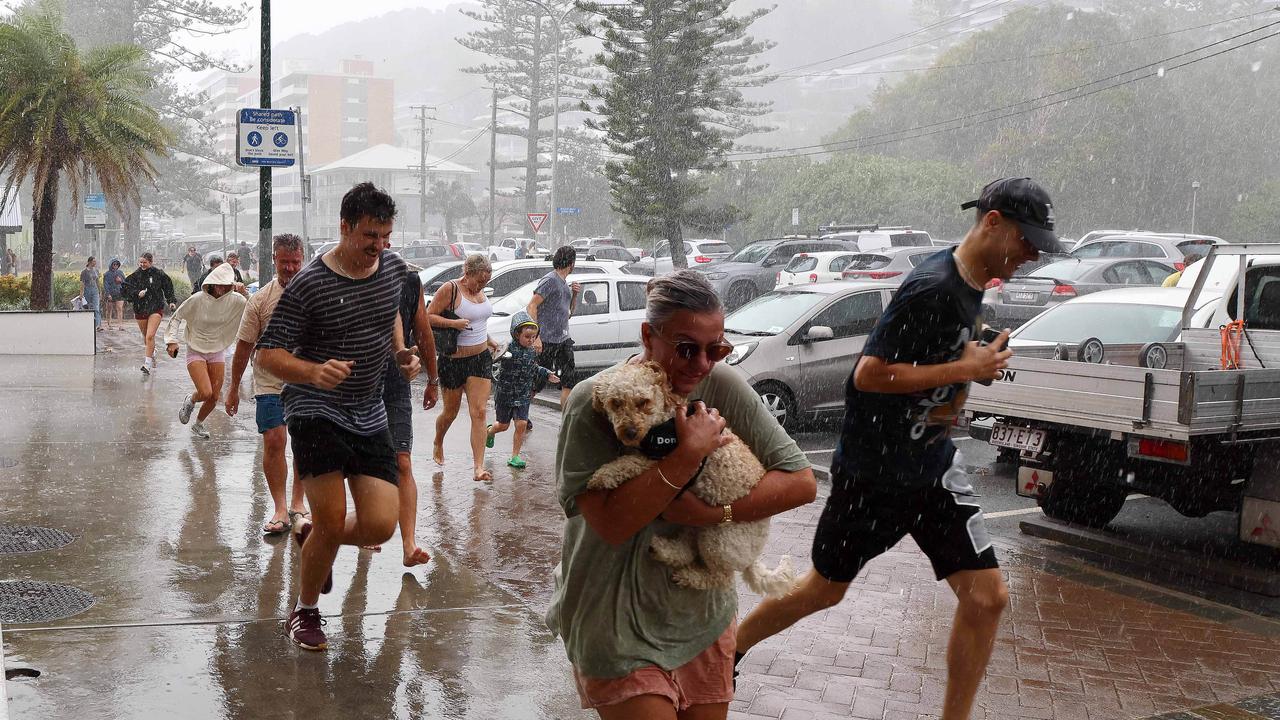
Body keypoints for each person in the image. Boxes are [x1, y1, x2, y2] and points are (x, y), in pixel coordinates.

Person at [736, 177, 1063, 720]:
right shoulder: (932, 286)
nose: (1030, 256)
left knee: (988, 598)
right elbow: (868, 375)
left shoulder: (975, 283)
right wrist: (965, 367)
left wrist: (965, 373)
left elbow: (932, 362)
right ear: (993, 222)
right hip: (874, 476)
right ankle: (730, 650)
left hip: (933, 470)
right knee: (823, 591)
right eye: (1026, 242)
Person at [545, 270, 817, 720]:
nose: (702, 364)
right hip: (614, 615)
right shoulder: (597, 402)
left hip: (699, 617)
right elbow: (611, 524)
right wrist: (687, 454)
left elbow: (800, 481)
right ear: (648, 336)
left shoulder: (721, 385)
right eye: (687, 348)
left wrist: (715, 514)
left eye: (717, 349)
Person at [255, 182, 420, 652]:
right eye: (370, 235)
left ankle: (310, 538)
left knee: (380, 526)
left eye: (386, 235)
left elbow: (388, 311)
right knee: (332, 516)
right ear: (344, 227)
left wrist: (402, 354)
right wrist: (312, 371)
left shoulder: (391, 269)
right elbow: (268, 355)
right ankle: (305, 611)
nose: (379, 245)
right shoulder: (310, 284)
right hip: (314, 408)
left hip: (368, 410)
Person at [363, 233, 441, 567]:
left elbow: (422, 329)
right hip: (361, 380)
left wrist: (434, 379)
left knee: (403, 461)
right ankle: (368, 527)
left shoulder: (410, 280)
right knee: (366, 462)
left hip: (396, 382)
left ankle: (408, 544)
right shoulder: (355, 278)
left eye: (384, 238)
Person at [227, 233, 311, 535]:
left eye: (295, 262)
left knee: (304, 442)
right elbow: (243, 347)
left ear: (302, 259)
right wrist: (233, 387)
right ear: (274, 260)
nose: (290, 268)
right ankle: (279, 507)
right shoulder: (260, 300)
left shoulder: (316, 294)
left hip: (307, 380)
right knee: (275, 440)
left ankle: (298, 500)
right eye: (284, 262)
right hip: (269, 380)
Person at [428, 254, 499, 482]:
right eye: (479, 281)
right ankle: (438, 440)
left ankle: (478, 467)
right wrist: (452, 324)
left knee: (479, 412)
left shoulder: (480, 291)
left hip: (480, 359)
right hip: (453, 361)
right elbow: (427, 317)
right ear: (466, 273)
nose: (482, 286)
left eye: (485, 282)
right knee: (451, 412)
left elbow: (476, 321)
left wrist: (489, 340)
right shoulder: (450, 290)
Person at [164, 263, 248, 439]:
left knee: (214, 396)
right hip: (196, 349)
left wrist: (245, 293)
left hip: (218, 349)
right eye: (218, 284)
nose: (221, 289)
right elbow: (177, 317)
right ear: (211, 282)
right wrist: (172, 341)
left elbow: (256, 309)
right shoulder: (197, 299)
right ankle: (191, 399)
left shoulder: (237, 300)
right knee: (205, 392)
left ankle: (198, 424)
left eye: (226, 285)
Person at [486, 311, 558, 469]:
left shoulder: (532, 351)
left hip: (523, 394)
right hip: (505, 394)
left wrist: (546, 374)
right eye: (527, 337)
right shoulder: (507, 348)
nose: (531, 340)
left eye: (533, 337)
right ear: (516, 334)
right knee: (503, 426)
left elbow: (533, 367)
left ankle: (515, 456)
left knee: (521, 424)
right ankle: (490, 431)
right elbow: (494, 361)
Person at [528, 246, 581, 409]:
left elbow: (569, 313)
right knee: (538, 382)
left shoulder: (564, 284)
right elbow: (531, 306)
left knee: (568, 381)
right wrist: (536, 337)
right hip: (546, 341)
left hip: (563, 340)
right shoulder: (550, 280)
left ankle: (565, 421)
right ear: (571, 264)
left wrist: (575, 295)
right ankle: (521, 412)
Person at [121, 252, 178, 374]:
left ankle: (147, 364)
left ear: (151, 262)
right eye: (140, 262)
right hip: (140, 308)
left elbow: (168, 287)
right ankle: (152, 351)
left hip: (155, 307)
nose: (142, 264)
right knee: (145, 336)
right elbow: (125, 289)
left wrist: (171, 301)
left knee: (150, 336)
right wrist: (137, 293)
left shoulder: (159, 274)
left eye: (145, 262)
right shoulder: (135, 276)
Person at [102, 258, 126, 331]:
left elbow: (124, 283)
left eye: (117, 264)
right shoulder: (106, 274)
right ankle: (109, 324)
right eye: (114, 264)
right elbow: (106, 285)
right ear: (111, 265)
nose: (115, 266)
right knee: (109, 309)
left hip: (119, 293)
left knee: (120, 308)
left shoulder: (120, 272)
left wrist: (121, 281)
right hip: (111, 294)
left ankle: (120, 325)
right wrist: (108, 294)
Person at [80, 256, 102, 332]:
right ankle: (88, 324)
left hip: (95, 290)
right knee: (88, 307)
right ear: (89, 262)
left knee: (96, 307)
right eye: (94, 261)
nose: (95, 263)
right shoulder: (84, 272)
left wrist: (100, 291)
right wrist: (81, 294)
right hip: (87, 290)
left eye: (95, 261)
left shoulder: (96, 270)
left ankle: (98, 325)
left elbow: (97, 281)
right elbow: (82, 283)